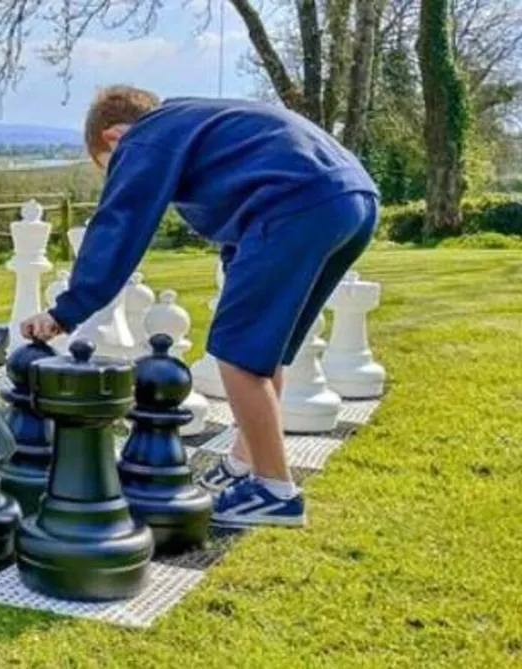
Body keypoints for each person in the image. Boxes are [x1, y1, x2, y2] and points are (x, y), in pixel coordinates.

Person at [21, 86, 379, 529]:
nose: (120, 174)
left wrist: (65, 312)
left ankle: (275, 491)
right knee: (264, 348)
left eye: (109, 168)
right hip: (353, 198)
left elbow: (122, 220)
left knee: (234, 351)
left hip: (297, 203)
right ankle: (245, 463)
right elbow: (239, 214)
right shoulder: (195, 123)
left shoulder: (146, 136)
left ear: (113, 137)